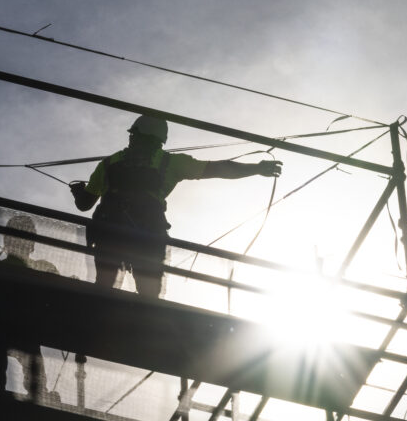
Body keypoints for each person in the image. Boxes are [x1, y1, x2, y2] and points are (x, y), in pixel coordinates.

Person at [74, 115, 281, 298]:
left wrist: (78, 192)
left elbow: (84, 205)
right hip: (148, 235)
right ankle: (146, 325)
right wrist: (257, 168)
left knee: (104, 287)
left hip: (111, 232)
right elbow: (219, 169)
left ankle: (99, 317)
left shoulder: (109, 163)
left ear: (136, 135)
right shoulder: (171, 163)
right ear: (160, 140)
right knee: (148, 294)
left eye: (133, 134)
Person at [0, 214, 60, 402]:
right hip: (24, 332)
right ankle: (36, 396)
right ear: (32, 243)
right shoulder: (43, 268)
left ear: (6, 240)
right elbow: (58, 297)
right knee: (32, 362)